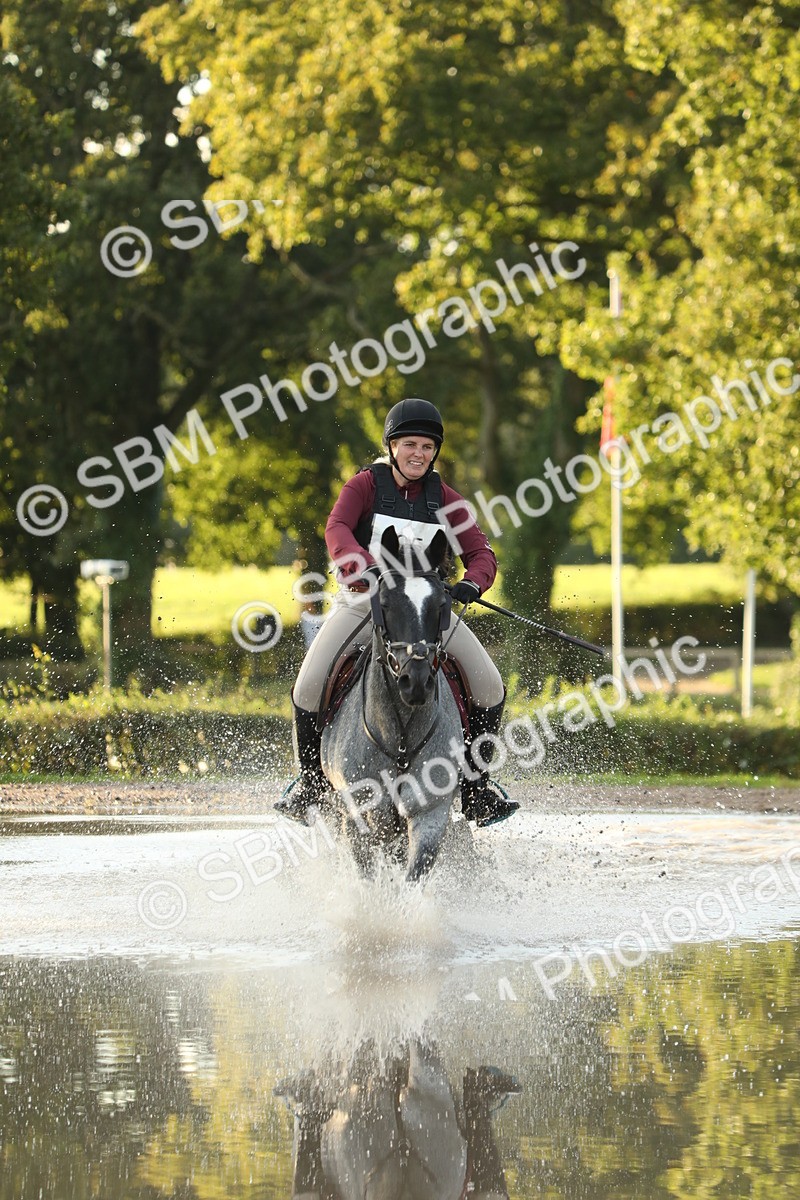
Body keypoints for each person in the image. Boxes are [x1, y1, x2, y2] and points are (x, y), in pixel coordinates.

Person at [278, 398, 519, 827]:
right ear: (392, 447)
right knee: (309, 683)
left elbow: (481, 552)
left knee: (490, 685)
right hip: (365, 603)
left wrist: (470, 583)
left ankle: (477, 788)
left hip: (425, 609)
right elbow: (336, 530)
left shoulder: (446, 499)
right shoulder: (364, 487)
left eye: (427, 447)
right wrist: (364, 568)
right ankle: (310, 783)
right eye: (410, 444)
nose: (418, 455)